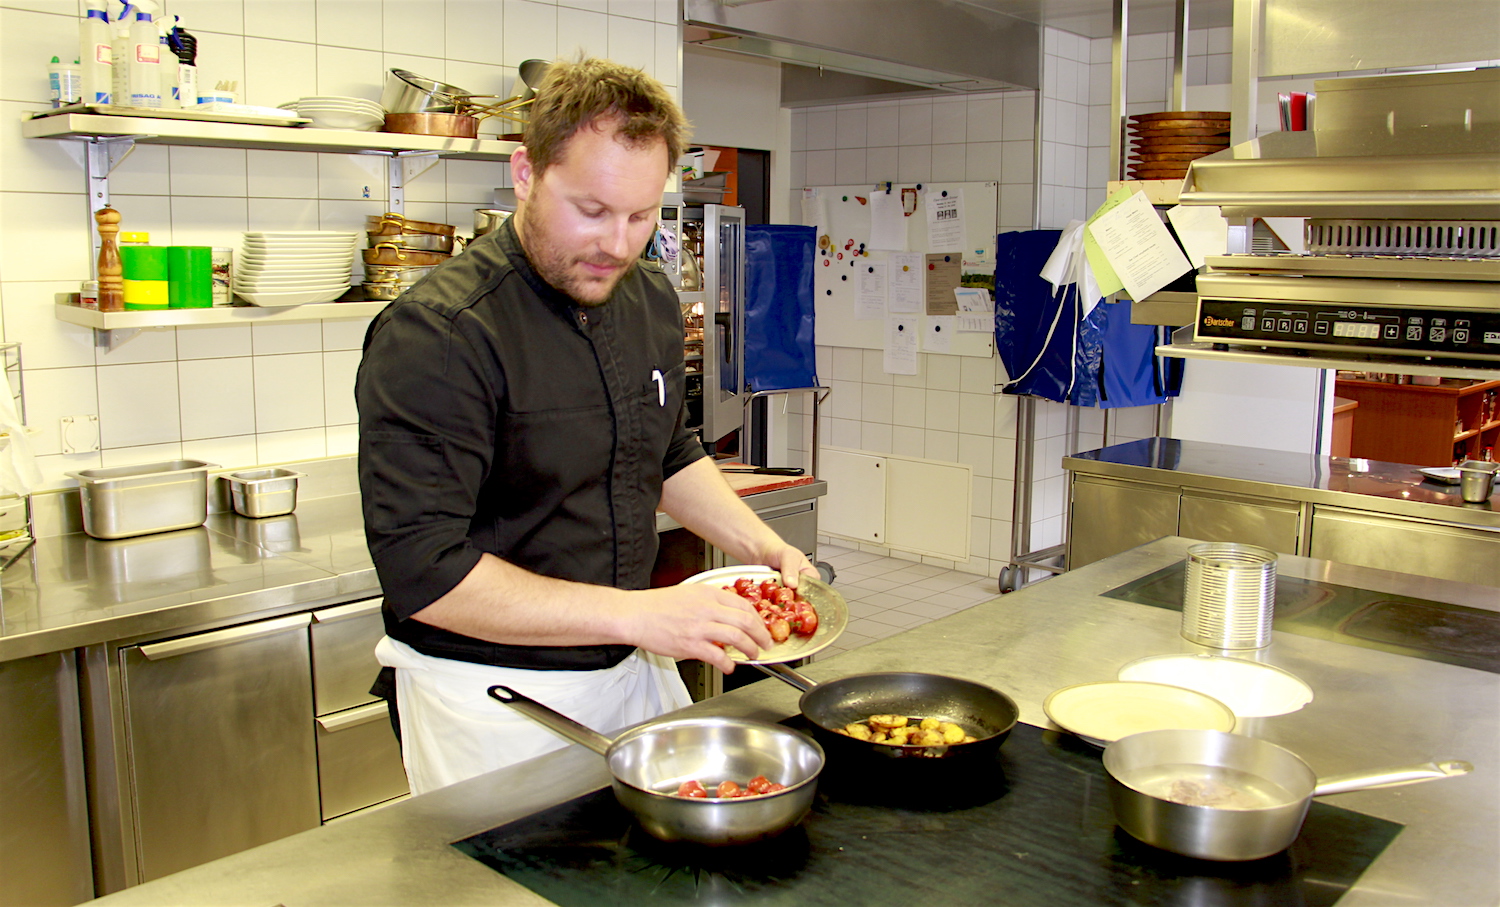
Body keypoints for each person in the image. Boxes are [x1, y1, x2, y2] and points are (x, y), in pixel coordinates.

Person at [355, 57, 813, 795]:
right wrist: (645, 614)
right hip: (493, 699)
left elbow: (665, 451)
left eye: (641, 216)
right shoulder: (440, 335)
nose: (619, 244)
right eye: (592, 211)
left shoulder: (648, 299)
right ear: (525, 174)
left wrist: (762, 546)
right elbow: (425, 574)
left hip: (630, 670)